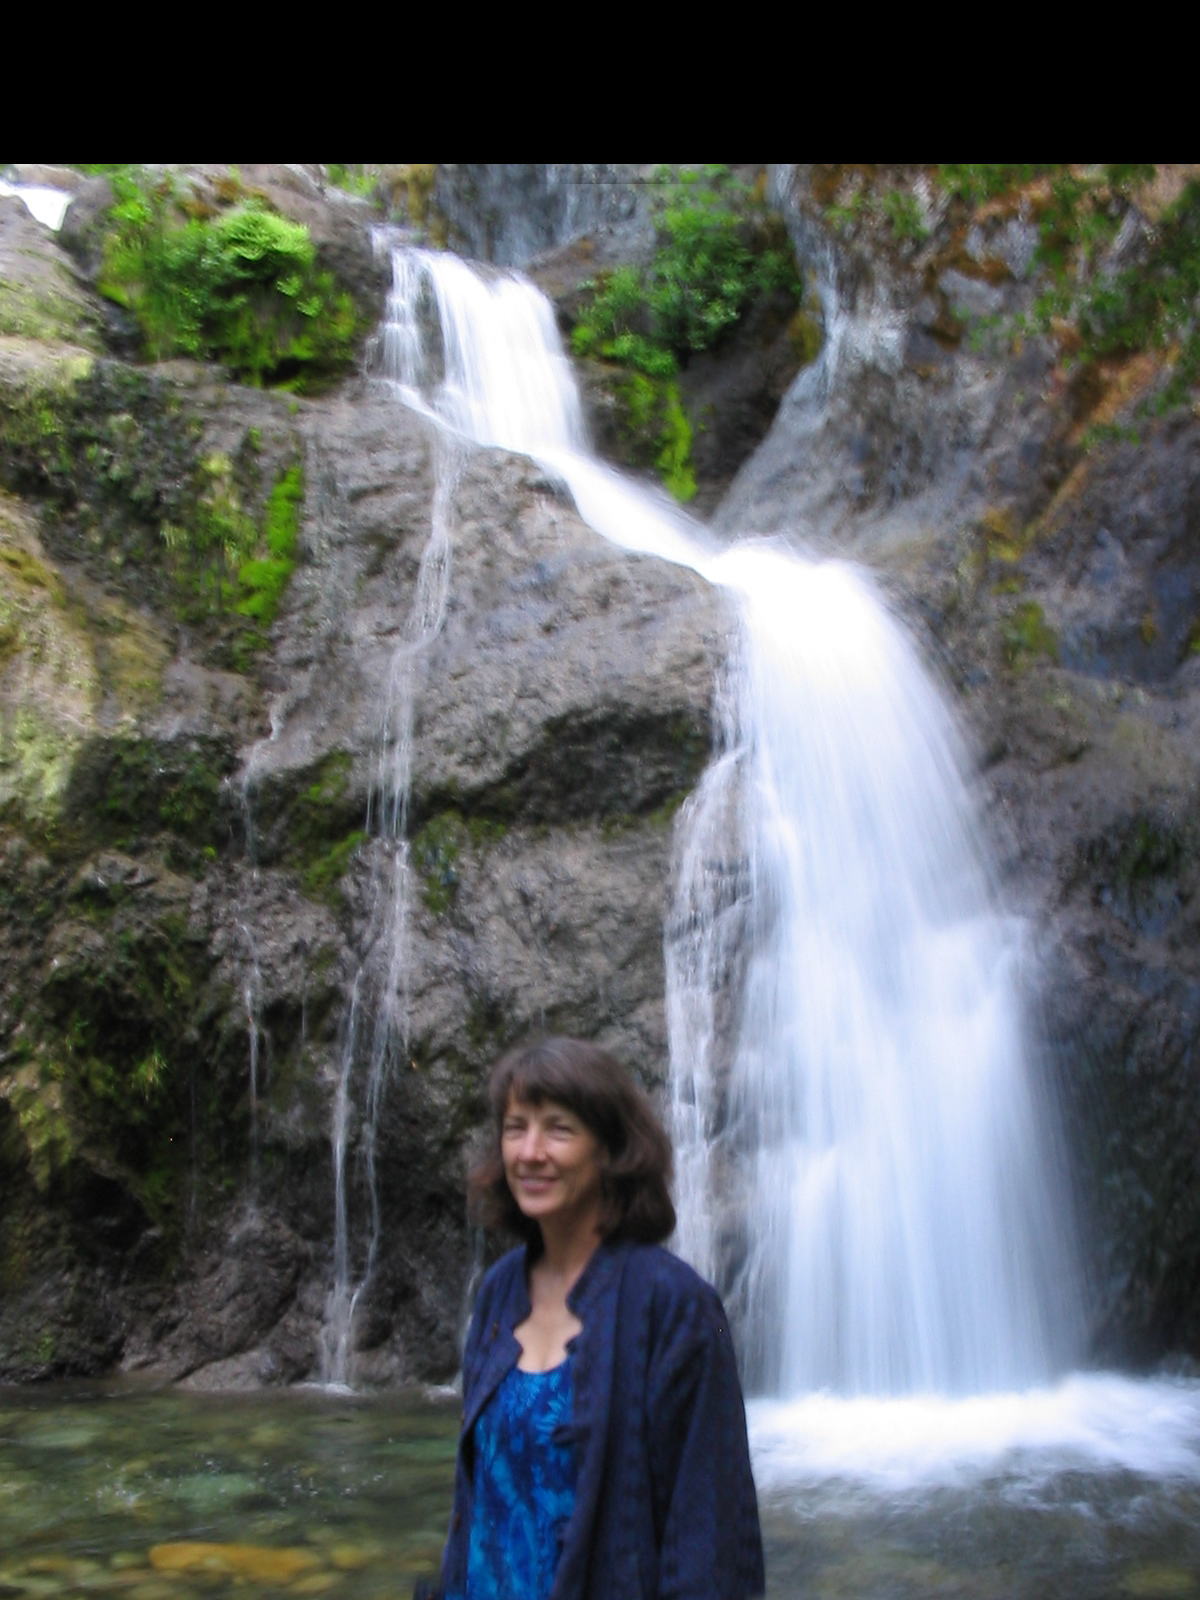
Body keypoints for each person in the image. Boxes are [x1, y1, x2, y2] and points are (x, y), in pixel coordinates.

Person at [431, 1035, 765, 1600]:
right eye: (516, 1128)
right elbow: (475, 1497)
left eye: (558, 1129)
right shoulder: (498, 1292)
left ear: (610, 1150)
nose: (530, 1151)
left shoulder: (676, 1305)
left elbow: (713, 1532)